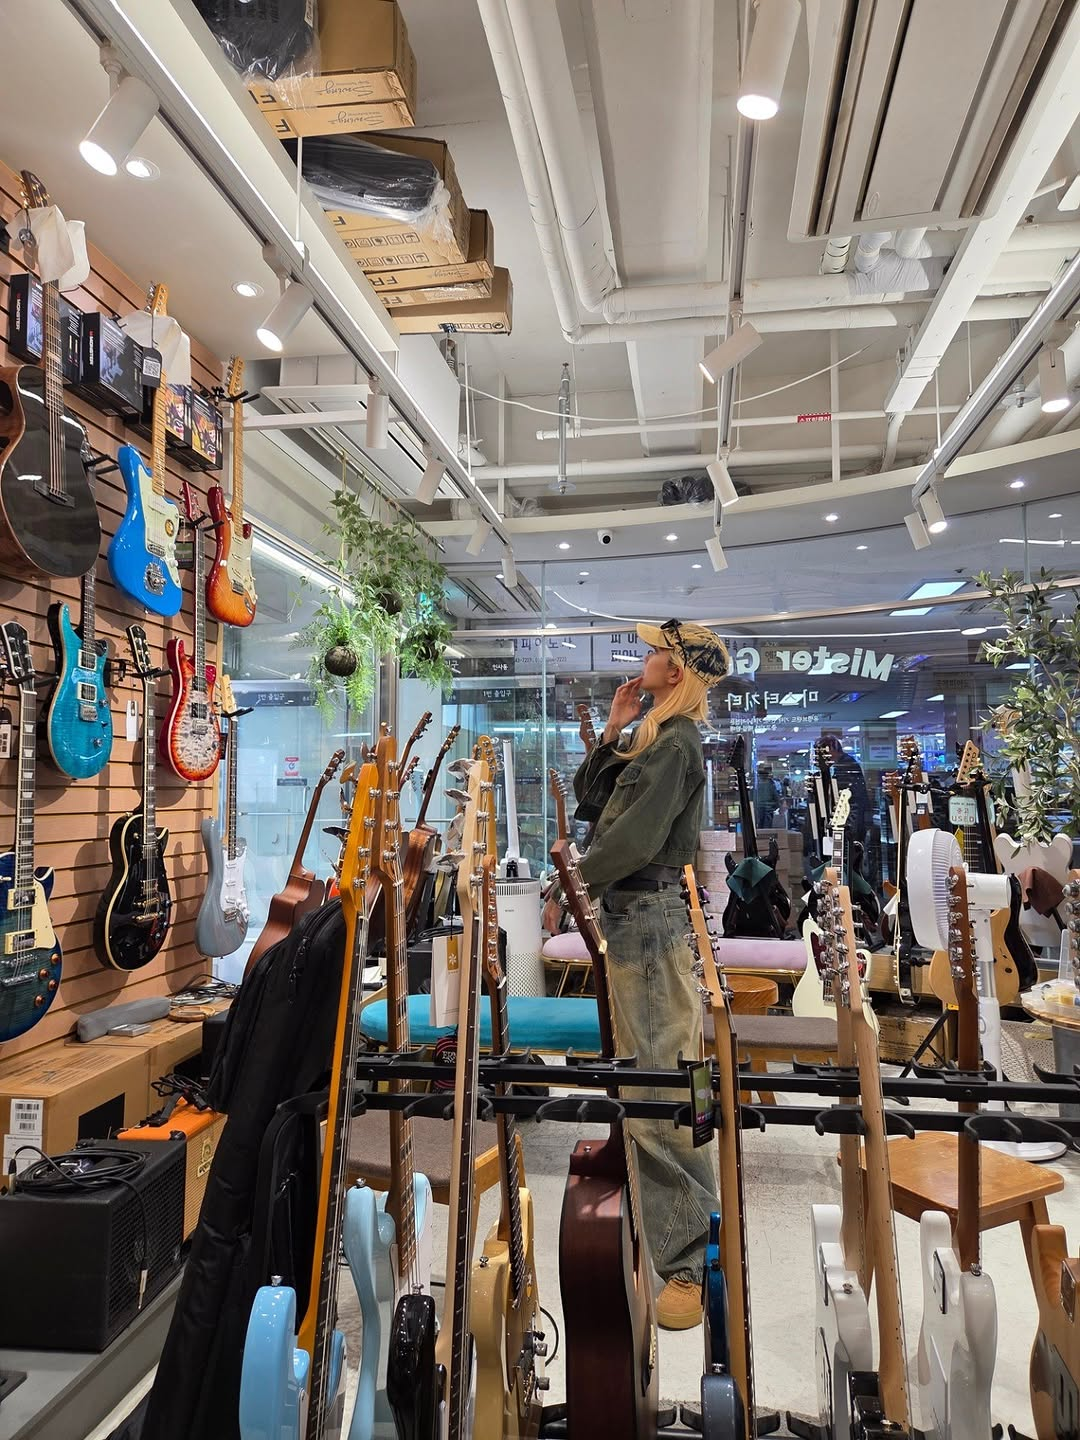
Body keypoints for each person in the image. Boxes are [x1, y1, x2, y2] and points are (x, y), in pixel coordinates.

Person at [542, 619, 730, 1331]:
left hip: (647, 920)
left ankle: (688, 1262)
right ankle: (678, 1234)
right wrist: (614, 728)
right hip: (634, 919)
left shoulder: (678, 744)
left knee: (659, 1083)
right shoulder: (655, 736)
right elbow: (593, 802)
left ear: (676, 671)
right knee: (649, 1073)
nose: (643, 658)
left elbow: (635, 837)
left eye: (656, 651)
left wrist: (571, 884)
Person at [819, 732, 869, 841]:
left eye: (825, 753)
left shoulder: (846, 765)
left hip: (850, 817)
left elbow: (853, 797)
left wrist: (850, 825)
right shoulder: (843, 764)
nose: (825, 757)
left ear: (832, 748)